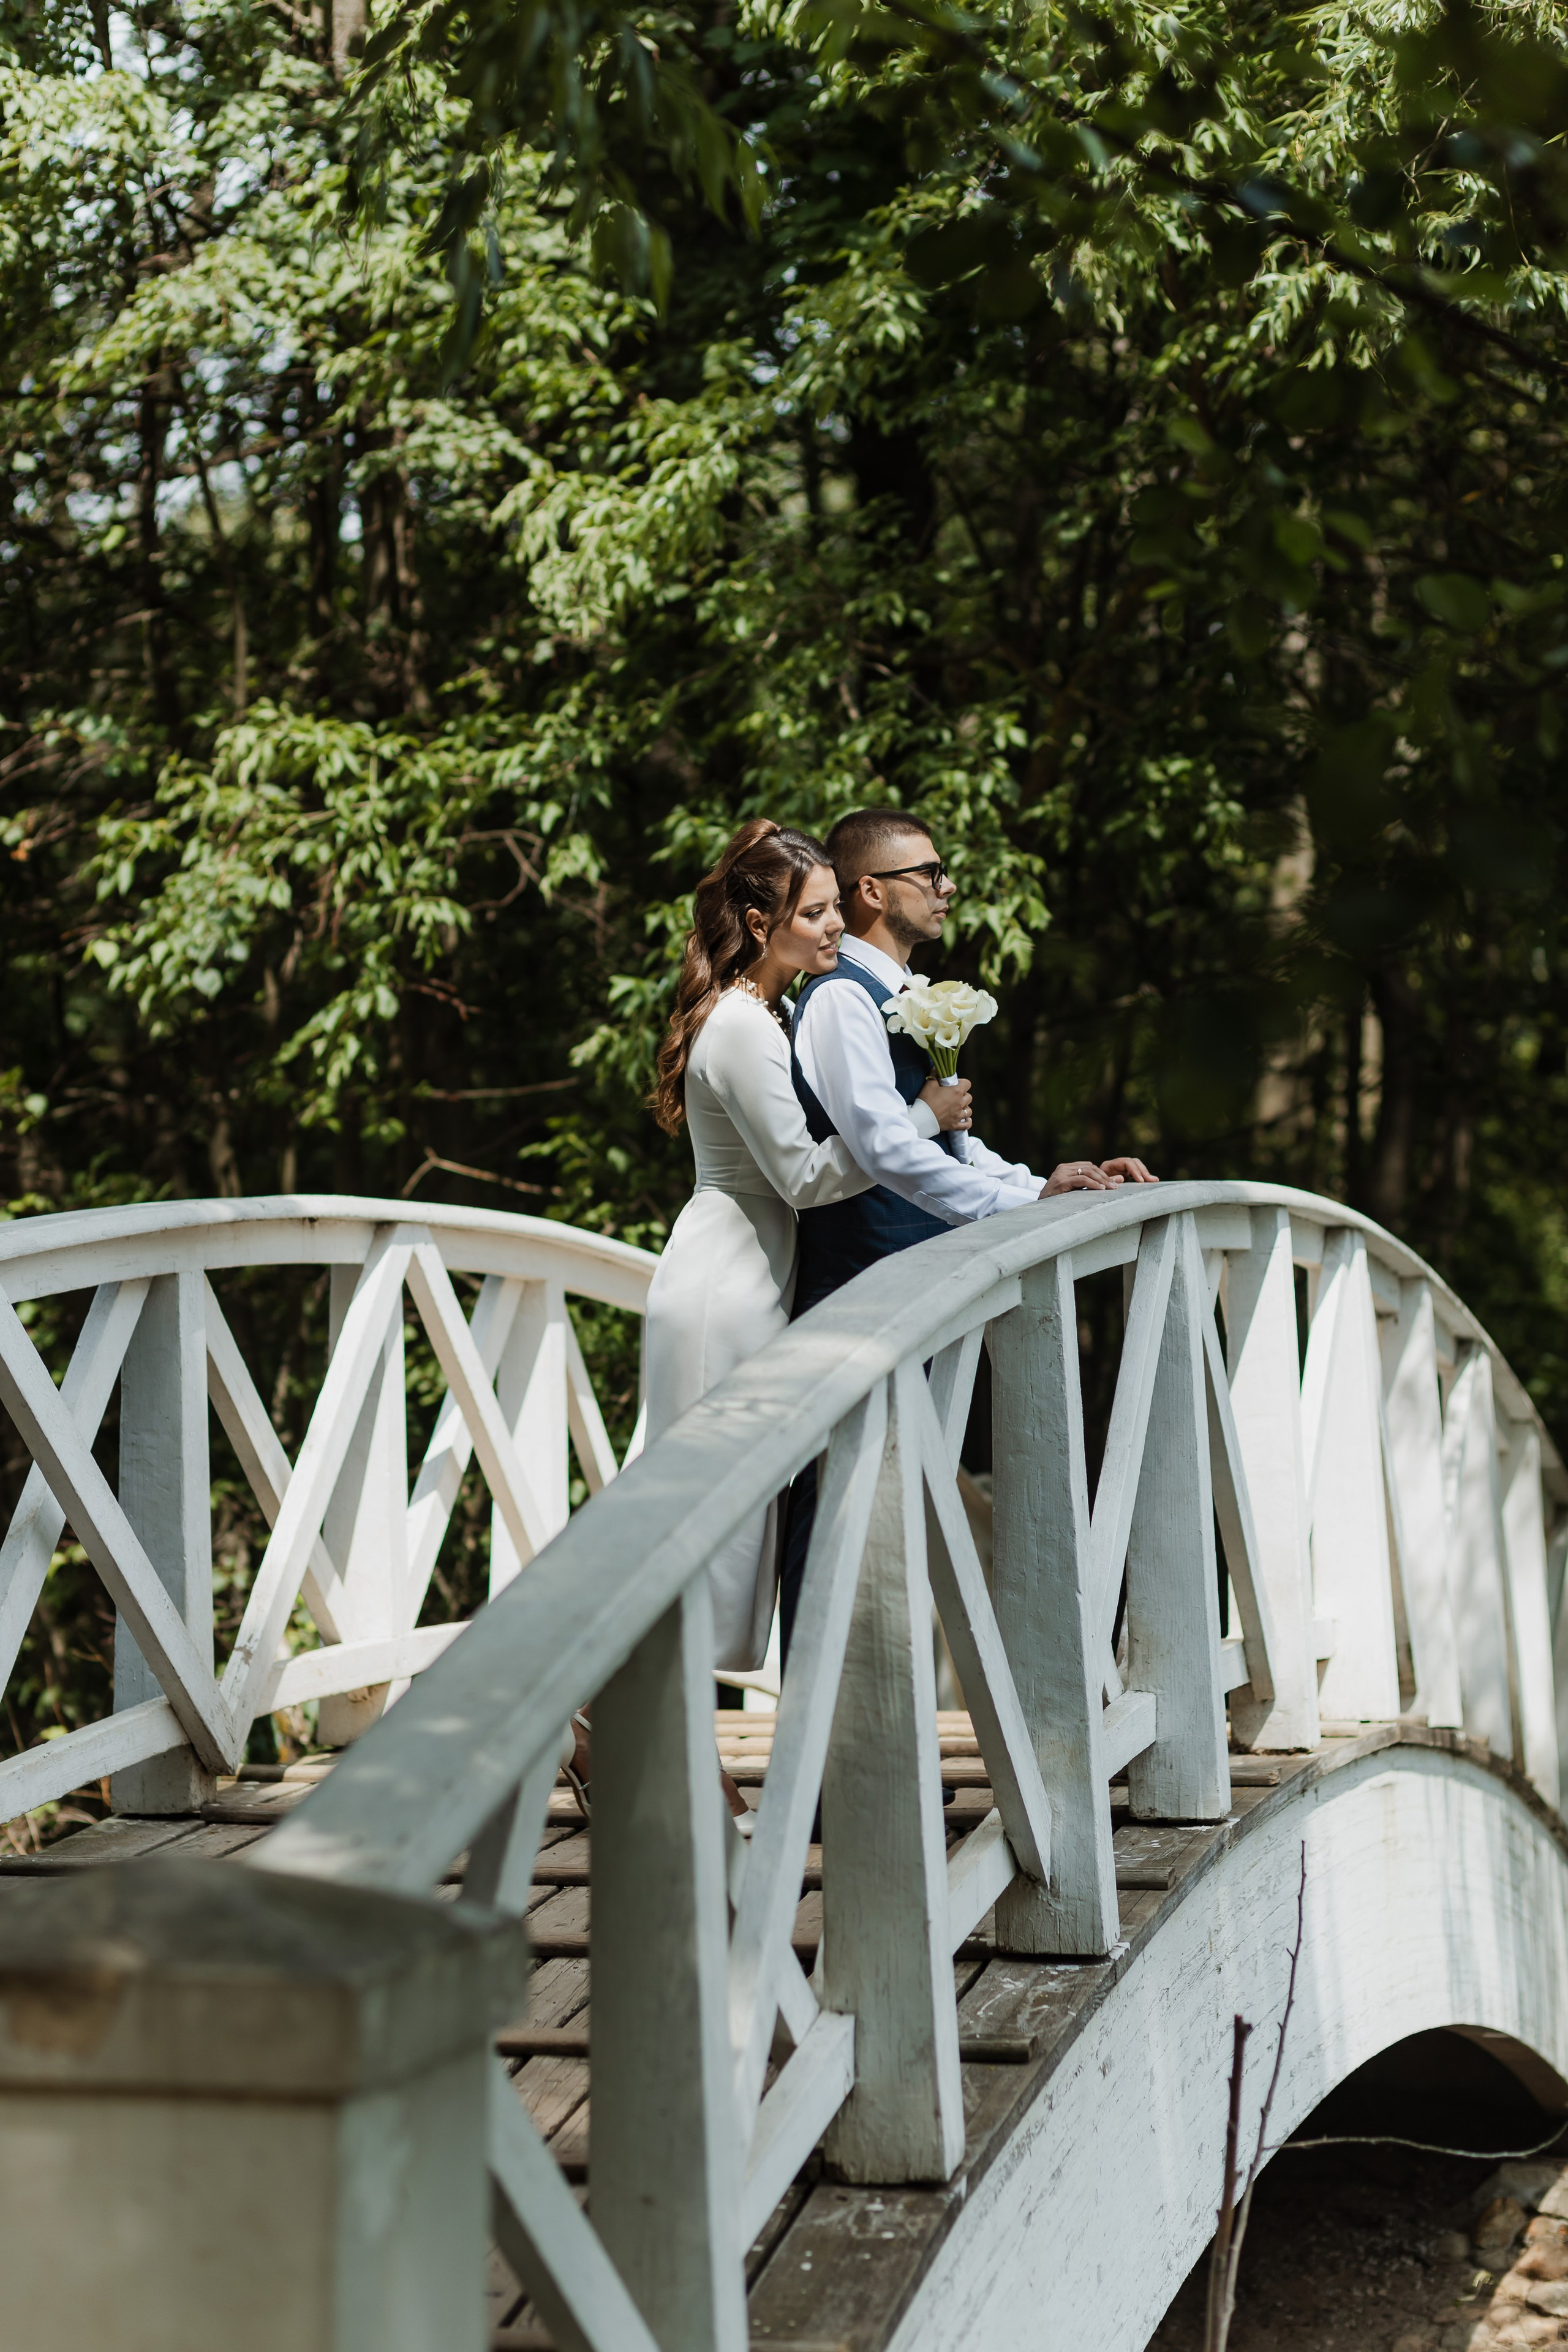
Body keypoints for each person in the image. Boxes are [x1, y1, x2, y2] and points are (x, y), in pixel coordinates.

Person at [780, 804, 1158, 1652]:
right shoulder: (842, 1002)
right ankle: (822, 1763)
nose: (948, 887)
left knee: (893, 1511)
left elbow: (950, 1142)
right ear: (872, 890)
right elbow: (883, 1149)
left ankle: (868, 1764)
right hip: (860, 1283)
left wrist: (1043, 1183)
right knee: (838, 1513)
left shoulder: (900, 998)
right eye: (930, 874)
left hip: (912, 1284)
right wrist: (1016, 1206)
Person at [641, 817, 971, 1674]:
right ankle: (604, 1721)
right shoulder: (746, 1026)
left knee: (719, 1521)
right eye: (817, 913)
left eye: (836, 908)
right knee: (707, 1520)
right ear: (762, 925)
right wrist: (920, 1119)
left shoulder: (770, 1008)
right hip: (730, 1283)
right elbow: (807, 1178)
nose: (836, 927)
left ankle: (627, 1734)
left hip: (755, 1269)